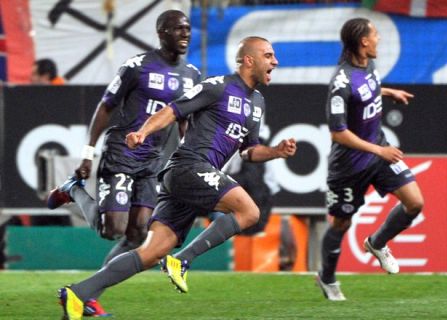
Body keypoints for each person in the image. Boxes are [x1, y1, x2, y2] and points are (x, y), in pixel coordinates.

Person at [56, 36, 296, 319]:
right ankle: (182, 260)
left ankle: (80, 292)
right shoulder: (217, 87)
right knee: (249, 211)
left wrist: (275, 152)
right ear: (249, 60)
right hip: (188, 167)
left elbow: (248, 151)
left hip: (192, 178)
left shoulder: (257, 102)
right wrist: (143, 132)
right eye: (269, 56)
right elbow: (172, 110)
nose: (275, 61)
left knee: (151, 252)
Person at [47, 10, 201, 317]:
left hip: (153, 160)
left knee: (137, 235)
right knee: (111, 230)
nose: (185, 34)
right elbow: (105, 108)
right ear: (162, 33)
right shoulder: (137, 66)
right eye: (178, 29)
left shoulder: (193, 75)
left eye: (187, 29)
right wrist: (88, 153)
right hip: (122, 152)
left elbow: (185, 121)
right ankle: (74, 189)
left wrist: (188, 156)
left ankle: (88, 295)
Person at [316, 17, 424, 301]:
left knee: (415, 203)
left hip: (378, 150)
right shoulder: (340, 82)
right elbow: (338, 133)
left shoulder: (369, 65)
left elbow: (367, 88)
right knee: (341, 224)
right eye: (375, 35)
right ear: (363, 42)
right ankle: (326, 278)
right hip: (349, 166)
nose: (379, 39)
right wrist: (379, 151)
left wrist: (387, 92)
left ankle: (377, 243)